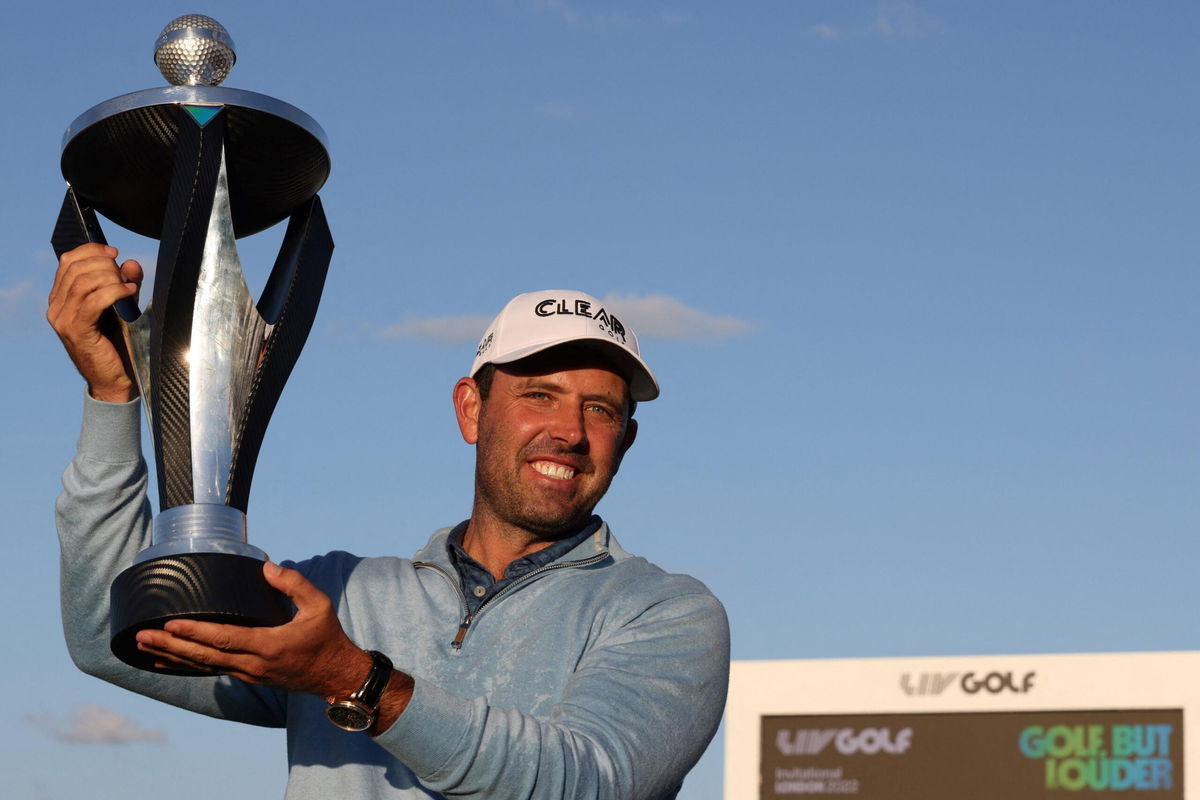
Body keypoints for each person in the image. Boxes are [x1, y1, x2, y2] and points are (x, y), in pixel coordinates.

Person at [48, 242, 730, 799]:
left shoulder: (666, 613)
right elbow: (105, 633)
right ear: (470, 410)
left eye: (601, 410)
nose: (569, 432)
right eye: (539, 396)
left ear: (627, 441)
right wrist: (111, 398)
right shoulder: (337, 596)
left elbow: (586, 783)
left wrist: (351, 678)